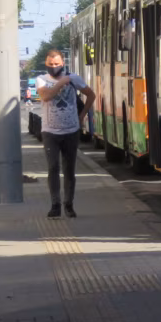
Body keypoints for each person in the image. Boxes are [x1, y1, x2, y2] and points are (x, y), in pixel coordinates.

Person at [36, 49, 95, 218]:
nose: (53, 67)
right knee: (53, 167)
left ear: (63, 63)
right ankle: (55, 205)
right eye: (50, 64)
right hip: (50, 132)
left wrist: (82, 115)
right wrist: (61, 83)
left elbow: (91, 95)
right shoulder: (41, 79)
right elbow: (46, 96)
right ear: (46, 64)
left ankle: (69, 204)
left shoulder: (74, 78)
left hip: (71, 131)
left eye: (57, 64)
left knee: (69, 170)